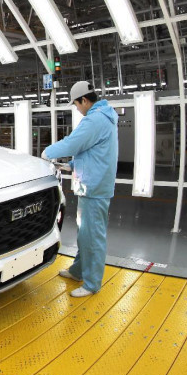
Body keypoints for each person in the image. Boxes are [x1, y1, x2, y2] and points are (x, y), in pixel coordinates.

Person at [41, 80, 118, 298]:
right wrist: (72, 165)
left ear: (84, 100)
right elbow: (95, 152)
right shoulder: (105, 117)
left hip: (94, 188)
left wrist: (48, 152)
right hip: (93, 184)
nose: (77, 109)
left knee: (93, 236)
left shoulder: (95, 120)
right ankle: (78, 271)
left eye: (76, 104)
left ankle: (92, 283)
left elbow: (74, 142)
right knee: (85, 234)